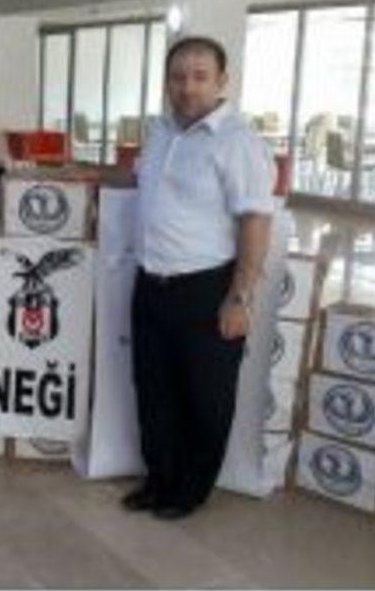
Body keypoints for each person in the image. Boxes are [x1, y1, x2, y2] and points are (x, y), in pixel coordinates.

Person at [122, 35, 274, 520]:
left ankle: (190, 490)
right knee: (154, 390)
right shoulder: (160, 131)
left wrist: (240, 296)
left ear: (221, 81)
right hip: (151, 283)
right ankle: (159, 478)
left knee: (205, 397)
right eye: (178, 77)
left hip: (206, 288)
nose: (187, 87)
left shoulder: (238, 142)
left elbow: (255, 221)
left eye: (199, 76)